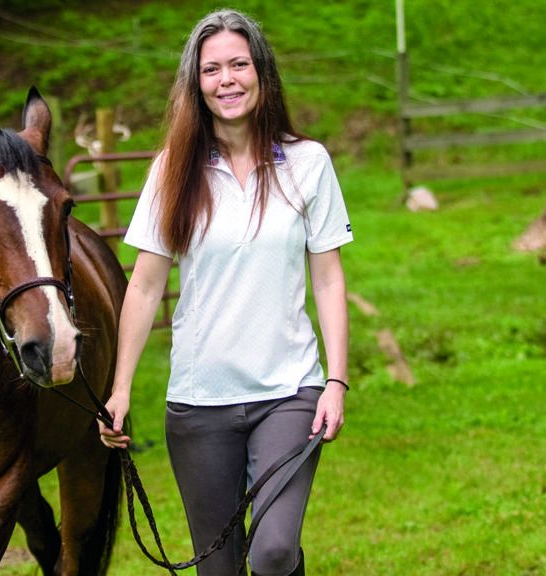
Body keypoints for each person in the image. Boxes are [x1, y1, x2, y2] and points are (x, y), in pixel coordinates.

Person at [98, 8, 352, 576]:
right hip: (199, 401)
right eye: (212, 69)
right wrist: (119, 389)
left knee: (275, 550)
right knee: (218, 567)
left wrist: (335, 380)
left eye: (239, 64)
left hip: (289, 392)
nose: (227, 80)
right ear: (197, 82)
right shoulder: (172, 171)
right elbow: (143, 286)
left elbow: (329, 277)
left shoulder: (308, 164)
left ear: (261, 72)